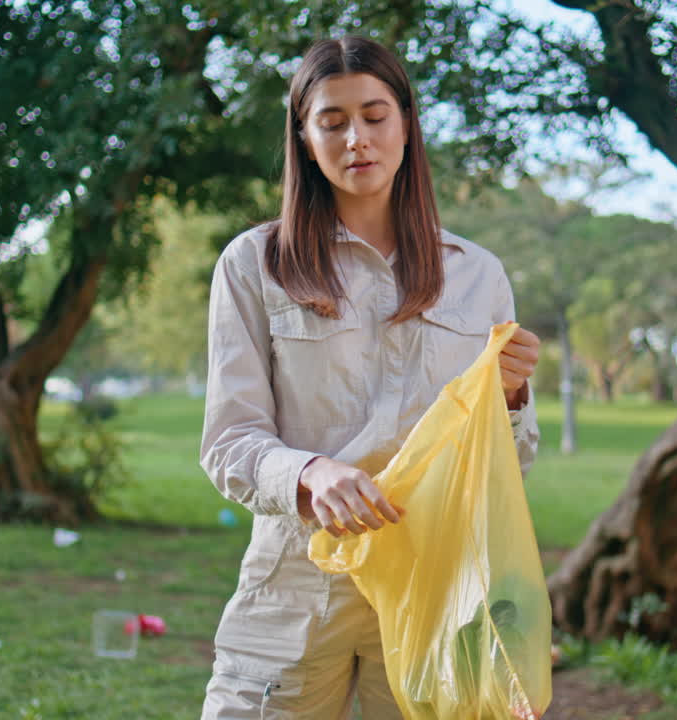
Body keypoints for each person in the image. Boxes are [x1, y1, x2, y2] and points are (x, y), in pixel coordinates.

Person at [199, 35, 541, 719]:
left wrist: (508, 398)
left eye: (375, 115)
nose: (357, 137)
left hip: (438, 584)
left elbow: (514, 458)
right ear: (303, 138)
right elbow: (229, 443)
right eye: (332, 121)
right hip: (296, 582)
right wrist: (311, 474)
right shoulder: (253, 264)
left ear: (407, 126)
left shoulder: (477, 276)